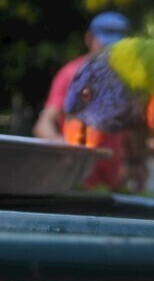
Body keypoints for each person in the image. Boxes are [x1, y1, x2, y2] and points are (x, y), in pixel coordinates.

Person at [34, 11, 133, 190]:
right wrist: (63, 146)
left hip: (109, 187)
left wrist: (133, 164)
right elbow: (43, 125)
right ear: (89, 38)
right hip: (72, 184)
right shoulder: (71, 75)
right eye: (104, 45)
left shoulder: (126, 79)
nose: (109, 52)